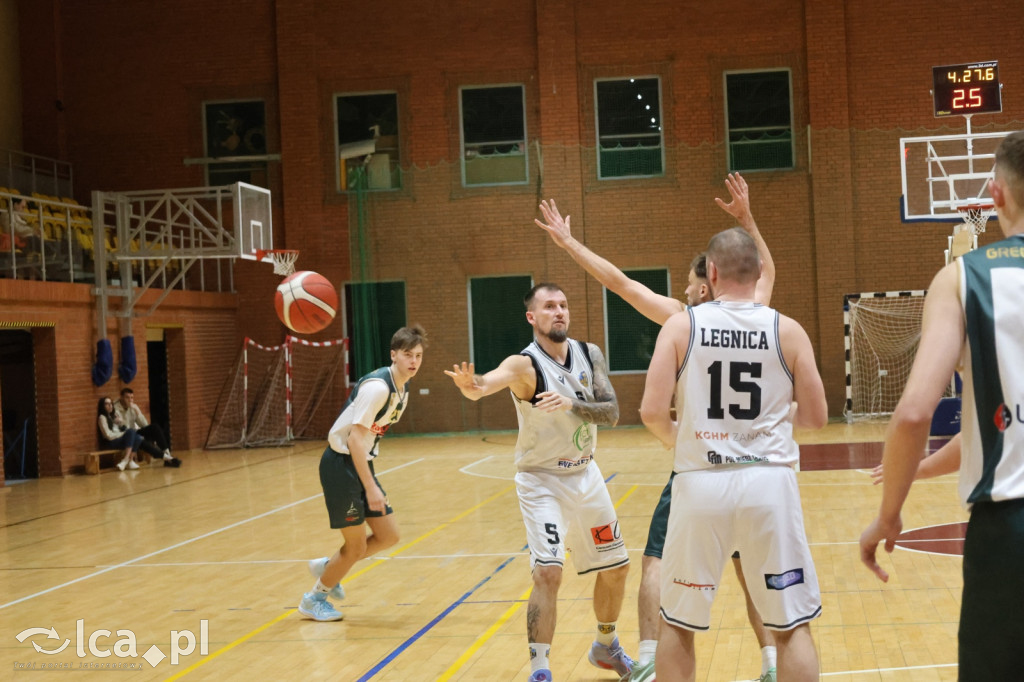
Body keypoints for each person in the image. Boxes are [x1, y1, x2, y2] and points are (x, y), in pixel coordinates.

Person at [535, 172, 779, 682]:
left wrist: (568, 241)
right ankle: (772, 663)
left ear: (707, 280)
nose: (682, 289)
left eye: (690, 281)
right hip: (755, 468)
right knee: (751, 570)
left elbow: (619, 283)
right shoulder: (761, 314)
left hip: (700, 466)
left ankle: (647, 660)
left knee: (654, 562)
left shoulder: (682, 319)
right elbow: (765, 268)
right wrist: (747, 219)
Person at [859, 131, 1024, 679]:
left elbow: (912, 413)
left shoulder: (964, 278)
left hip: (1009, 532)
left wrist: (889, 515)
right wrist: (926, 468)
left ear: (995, 195)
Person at [640, 227, 827, 682]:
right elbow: (817, 418)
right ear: (759, 271)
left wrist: (675, 437)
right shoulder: (788, 330)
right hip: (769, 484)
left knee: (678, 624)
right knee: (789, 624)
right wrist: (774, 421)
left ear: (714, 272)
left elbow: (650, 411)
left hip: (700, 482)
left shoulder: (683, 325)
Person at [446, 284, 633, 682]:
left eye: (563, 305)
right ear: (532, 317)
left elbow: (613, 412)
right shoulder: (524, 365)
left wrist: (570, 404)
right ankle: (540, 670)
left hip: (586, 474)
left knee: (617, 568)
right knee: (548, 572)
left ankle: (606, 645)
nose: (559, 312)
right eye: (549, 306)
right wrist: (472, 386)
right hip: (542, 481)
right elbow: (486, 383)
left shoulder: (589, 353)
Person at [299, 325, 427, 622]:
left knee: (388, 535)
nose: (414, 361)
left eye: (419, 356)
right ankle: (313, 599)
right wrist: (370, 488)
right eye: (408, 355)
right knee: (355, 545)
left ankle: (330, 567)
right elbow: (355, 439)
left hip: (359, 463)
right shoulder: (378, 388)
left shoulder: (402, 388)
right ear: (393, 355)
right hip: (340, 465)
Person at [115, 387, 182, 467]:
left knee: (154, 427)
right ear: (121, 397)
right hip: (124, 435)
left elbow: (145, 425)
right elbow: (123, 427)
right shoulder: (115, 408)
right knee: (141, 441)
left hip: (134, 433)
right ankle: (168, 459)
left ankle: (168, 454)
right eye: (127, 397)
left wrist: (137, 412)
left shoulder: (133, 407)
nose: (130, 400)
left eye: (132, 398)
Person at [97, 396, 144, 471]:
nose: (110, 406)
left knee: (138, 437)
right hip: (110, 442)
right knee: (131, 431)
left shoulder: (113, 416)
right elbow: (108, 435)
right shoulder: (102, 417)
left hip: (119, 439)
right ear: (102, 406)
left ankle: (130, 461)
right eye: (107, 404)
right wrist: (122, 434)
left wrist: (120, 422)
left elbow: (123, 427)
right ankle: (126, 460)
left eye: (111, 404)